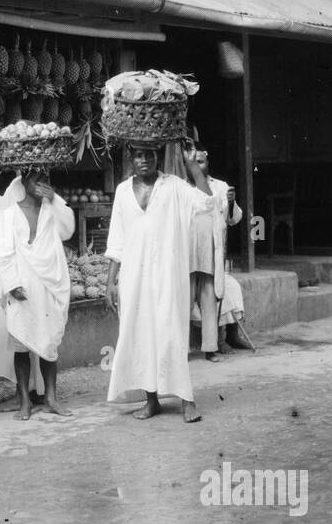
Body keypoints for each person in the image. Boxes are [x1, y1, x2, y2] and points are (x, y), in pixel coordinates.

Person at [105, 139, 215, 421]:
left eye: (149, 155)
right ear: (131, 158)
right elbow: (116, 239)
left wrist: (193, 167)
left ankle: (187, 400)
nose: (144, 160)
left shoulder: (174, 186)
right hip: (134, 277)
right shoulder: (122, 191)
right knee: (141, 336)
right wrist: (111, 282)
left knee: (171, 335)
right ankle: (151, 399)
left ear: (158, 157)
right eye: (139, 155)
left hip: (167, 275)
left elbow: (206, 202)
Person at [0, 168, 75, 419]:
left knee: (49, 343)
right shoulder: (10, 214)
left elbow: (68, 230)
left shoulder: (52, 210)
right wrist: (12, 283)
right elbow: (4, 251)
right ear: (24, 182)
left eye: (46, 180)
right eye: (37, 180)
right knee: (22, 344)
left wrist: (55, 198)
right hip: (22, 285)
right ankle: (24, 400)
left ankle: (51, 398)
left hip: (48, 284)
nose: (42, 186)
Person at [190, 150, 252, 355]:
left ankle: (223, 341)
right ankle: (192, 347)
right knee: (188, 298)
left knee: (221, 291)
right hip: (189, 253)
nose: (197, 166)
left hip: (212, 253)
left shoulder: (220, 186)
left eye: (201, 162)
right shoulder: (182, 186)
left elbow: (233, 219)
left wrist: (231, 202)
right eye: (193, 162)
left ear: (207, 163)